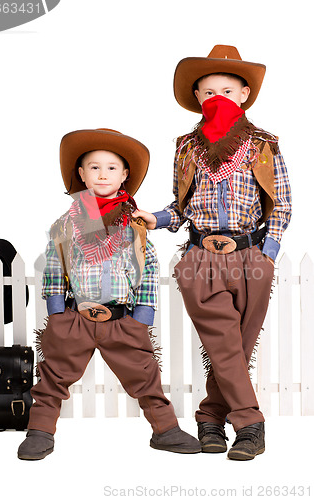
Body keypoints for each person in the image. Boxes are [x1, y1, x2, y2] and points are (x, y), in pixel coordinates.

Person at [133, 45, 292, 460]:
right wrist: (155, 218)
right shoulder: (187, 147)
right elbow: (180, 208)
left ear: (243, 95)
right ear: (198, 99)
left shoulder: (263, 144)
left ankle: (209, 416)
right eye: (207, 92)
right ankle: (250, 424)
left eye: (226, 88)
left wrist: (267, 253)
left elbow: (282, 203)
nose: (216, 97)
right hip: (200, 257)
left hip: (249, 256)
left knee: (236, 346)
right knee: (222, 339)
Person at [17, 128, 201, 460]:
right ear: (82, 174)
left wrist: (141, 319)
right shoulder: (68, 224)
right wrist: (58, 314)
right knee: (53, 375)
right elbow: (56, 266)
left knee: (145, 375)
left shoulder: (134, 225)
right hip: (77, 317)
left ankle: (166, 430)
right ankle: (40, 431)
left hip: (121, 319)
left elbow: (147, 270)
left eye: (112, 167)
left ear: (125, 174)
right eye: (95, 167)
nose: (103, 174)